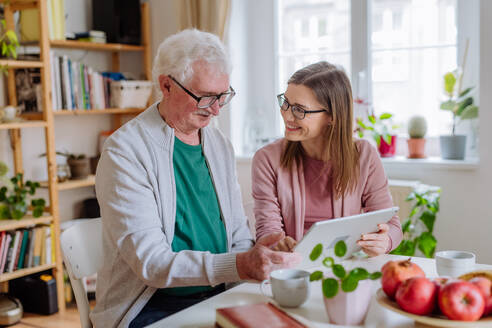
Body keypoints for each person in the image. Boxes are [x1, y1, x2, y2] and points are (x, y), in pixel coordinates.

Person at [91, 29, 300, 328]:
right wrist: (241, 264)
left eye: (222, 96)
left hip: (219, 292)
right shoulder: (125, 152)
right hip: (150, 306)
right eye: (205, 97)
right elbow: (152, 264)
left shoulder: (217, 144)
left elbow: (237, 233)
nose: (215, 110)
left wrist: (255, 250)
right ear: (166, 85)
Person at [252, 61, 403, 256]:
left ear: (332, 116)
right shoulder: (267, 159)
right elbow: (267, 230)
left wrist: (385, 240)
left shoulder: (364, 155)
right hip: (292, 272)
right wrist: (276, 244)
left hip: (345, 268)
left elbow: (392, 225)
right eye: (286, 103)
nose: (287, 115)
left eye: (299, 109)